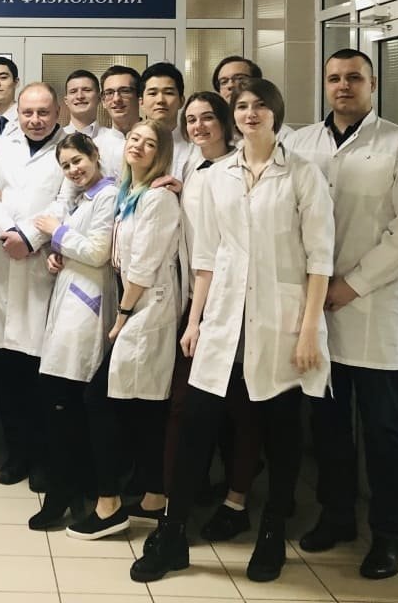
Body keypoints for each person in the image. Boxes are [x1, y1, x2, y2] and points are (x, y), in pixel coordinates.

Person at [132, 79, 334, 585]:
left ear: (276, 113)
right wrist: (195, 321)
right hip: (223, 320)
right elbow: (207, 256)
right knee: (195, 424)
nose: (250, 113)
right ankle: (173, 535)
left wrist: (310, 330)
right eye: (242, 106)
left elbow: (319, 259)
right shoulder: (215, 177)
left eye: (260, 106)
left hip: (282, 323)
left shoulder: (302, 174)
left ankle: (271, 534)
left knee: (280, 433)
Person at [285, 49, 398, 581]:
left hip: (372, 307)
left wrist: (351, 285)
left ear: (372, 85)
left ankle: (388, 534)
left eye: (354, 78)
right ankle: (337, 516)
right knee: (327, 425)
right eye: (334, 78)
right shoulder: (301, 143)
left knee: (382, 429)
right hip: (315, 310)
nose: (343, 86)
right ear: (325, 85)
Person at [71, 120, 180, 540]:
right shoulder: (128, 192)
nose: (138, 146)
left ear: (160, 154)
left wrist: (122, 315)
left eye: (149, 143)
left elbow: (145, 267)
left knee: (97, 400)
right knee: (146, 407)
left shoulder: (158, 198)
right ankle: (153, 497)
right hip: (137, 306)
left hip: (146, 310)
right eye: (134, 138)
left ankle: (109, 505)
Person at [159, 92, 260, 543]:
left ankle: (236, 502)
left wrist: (197, 316)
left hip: (237, 304)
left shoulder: (242, 169)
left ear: (225, 122)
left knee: (242, 408)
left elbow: (225, 248)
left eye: (208, 118)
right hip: (198, 299)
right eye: (192, 120)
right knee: (187, 406)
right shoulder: (195, 171)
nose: (199, 126)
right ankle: (178, 503)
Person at [0, 81, 67, 488]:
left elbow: (66, 202)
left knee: (42, 377)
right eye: (27, 112)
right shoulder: (2, 147)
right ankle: (17, 454)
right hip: (2, 264)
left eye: (43, 112)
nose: (35, 120)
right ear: (18, 113)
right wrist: (8, 235)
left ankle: (44, 457)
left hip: (41, 270)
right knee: (7, 375)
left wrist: (28, 238)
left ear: (58, 112)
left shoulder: (70, 147)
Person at [28, 132, 118, 530]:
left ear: (95, 155)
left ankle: (65, 494)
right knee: (61, 403)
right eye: (66, 165)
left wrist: (58, 233)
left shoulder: (108, 195)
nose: (73, 169)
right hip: (71, 299)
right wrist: (57, 254)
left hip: (87, 308)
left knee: (65, 401)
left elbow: (98, 252)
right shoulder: (84, 197)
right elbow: (80, 247)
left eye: (78, 160)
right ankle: (71, 490)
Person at [62, 69, 125, 178]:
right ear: (66, 100)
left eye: (86, 90)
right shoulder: (55, 140)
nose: (79, 96)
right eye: (73, 91)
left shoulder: (117, 141)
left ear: (99, 98)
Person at [140, 62, 192, 179]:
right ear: (141, 102)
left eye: (168, 93)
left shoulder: (194, 148)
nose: (160, 100)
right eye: (153, 93)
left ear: (181, 101)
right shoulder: (133, 146)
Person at [100, 65, 142, 136]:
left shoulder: (158, 139)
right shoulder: (95, 142)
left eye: (125, 91)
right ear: (103, 101)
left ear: (140, 96)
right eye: (109, 93)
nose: (116, 99)